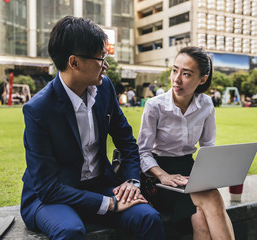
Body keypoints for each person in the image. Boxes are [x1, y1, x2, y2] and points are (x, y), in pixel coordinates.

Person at [20, 16, 164, 240]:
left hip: (99, 185)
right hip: (52, 196)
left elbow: (126, 140)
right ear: (74, 62)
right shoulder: (39, 109)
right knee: (70, 232)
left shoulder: (104, 87)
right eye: (100, 58)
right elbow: (47, 187)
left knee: (148, 217)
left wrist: (132, 183)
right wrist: (108, 204)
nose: (106, 65)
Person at [138, 46, 235, 240]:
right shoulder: (154, 106)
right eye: (175, 70)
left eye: (187, 74)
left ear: (202, 79)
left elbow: (207, 146)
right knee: (214, 199)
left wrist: (212, 173)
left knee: (201, 221)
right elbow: (143, 153)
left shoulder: (206, 104)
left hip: (189, 171)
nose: (177, 79)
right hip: (157, 178)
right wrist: (163, 176)